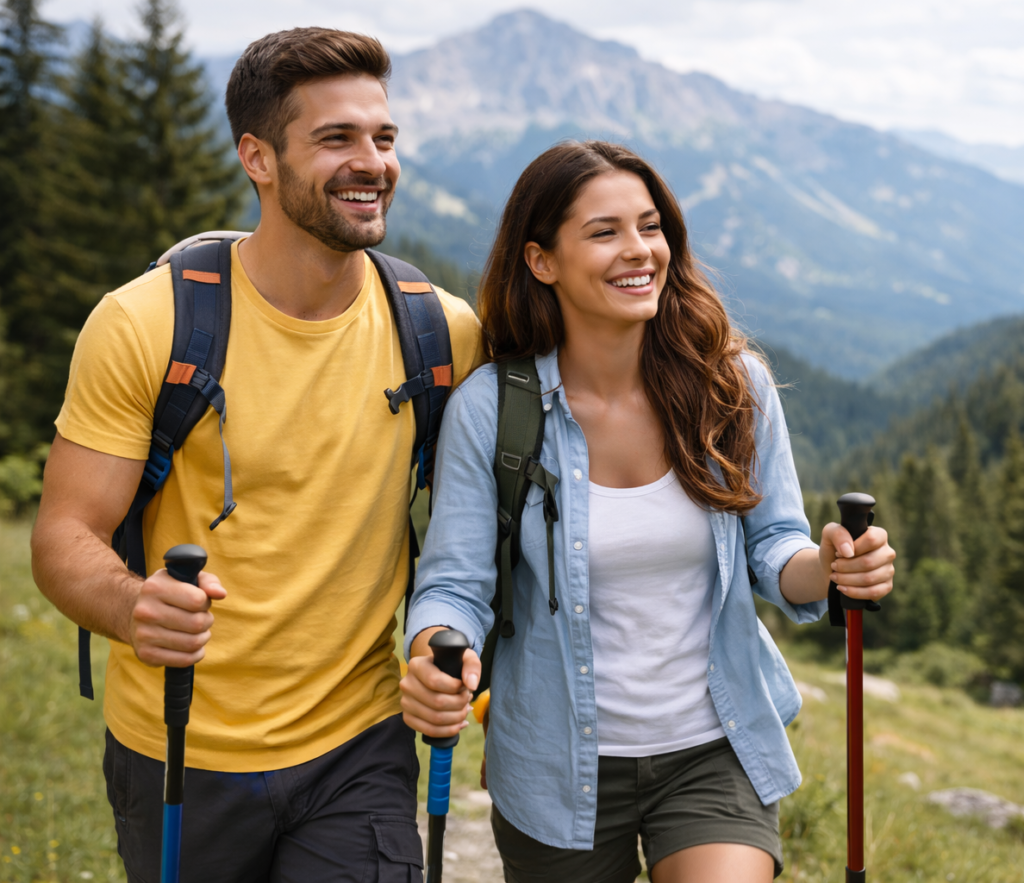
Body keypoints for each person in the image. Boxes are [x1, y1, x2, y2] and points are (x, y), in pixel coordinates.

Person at [31, 27, 481, 883]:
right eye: (336, 139)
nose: (372, 161)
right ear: (258, 158)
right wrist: (134, 607)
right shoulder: (145, 324)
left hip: (357, 746)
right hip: (179, 741)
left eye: (383, 138)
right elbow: (62, 537)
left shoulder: (439, 330)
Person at [399, 140, 896, 883]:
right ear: (542, 260)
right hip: (551, 760)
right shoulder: (493, 410)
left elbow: (778, 548)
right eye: (604, 232)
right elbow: (455, 584)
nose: (640, 250)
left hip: (712, 748)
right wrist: (436, 650)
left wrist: (829, 567)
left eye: (651, 225)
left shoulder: (733, 387)